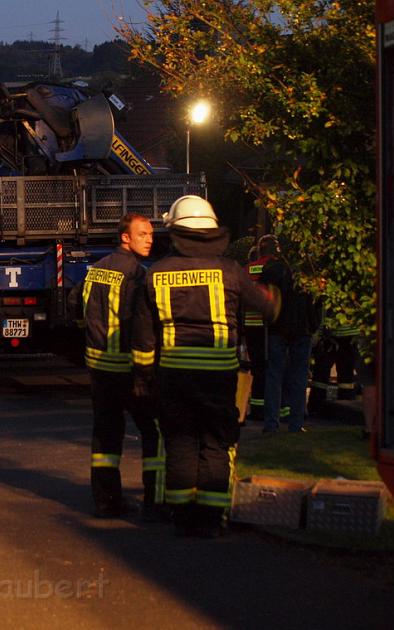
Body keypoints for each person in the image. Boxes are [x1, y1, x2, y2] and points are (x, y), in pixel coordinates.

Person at [143, 196, 278, 537]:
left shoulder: (155, 273)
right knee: (216, 444)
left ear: (174, 232)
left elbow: (144, 335)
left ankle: (181, 517)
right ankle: (209, 519)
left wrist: (144, 375)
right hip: (218, 376)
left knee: (180, 444)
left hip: (173, 375)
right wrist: (276, 293)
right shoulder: (230, 270)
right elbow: (267, 307)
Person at [68, 213, 164, 520]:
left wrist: (88, 328)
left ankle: (106, 501)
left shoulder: (95, 270)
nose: (150, 239)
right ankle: (155, 501)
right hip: (127, 367)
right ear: (126, 237)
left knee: (106, 435)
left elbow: (74, 305)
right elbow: (141, 324)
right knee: (154, 431)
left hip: (98, 367)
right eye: (143, 234)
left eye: (150, 234)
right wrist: (145, 368)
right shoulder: (137, 275)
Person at [260, 245, 322, 434]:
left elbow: (263, 297)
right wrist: (313, 326)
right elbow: (317, 301)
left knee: (274, 376)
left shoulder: (272, 270)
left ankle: (271, 423)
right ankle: (296, 423)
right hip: (302, 329)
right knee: (299, 377)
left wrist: (268, 320)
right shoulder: (308, 271)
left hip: (277, 329)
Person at [241, 235, 280, 423]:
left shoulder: (247, 269)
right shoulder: (277, 268)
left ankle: (257, 408)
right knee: (274, 367)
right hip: (272, 325)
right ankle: (273, 408)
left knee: (257, 368)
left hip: (250, 325)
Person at [308, 311, 359, 416]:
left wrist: (319, 333)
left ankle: (316, 407)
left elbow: (323, 310)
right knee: (345, 376)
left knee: (322, 374)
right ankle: (346, 408)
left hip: (331, 334)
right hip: (348, 334)